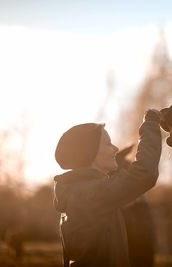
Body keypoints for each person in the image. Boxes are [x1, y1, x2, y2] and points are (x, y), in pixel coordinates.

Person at [53, 109, 162, 267]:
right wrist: (150, 124)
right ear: (90, 153)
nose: (116, 149)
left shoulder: (76, 191)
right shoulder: (95, 193)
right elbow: (145, 173)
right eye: (108, 143)